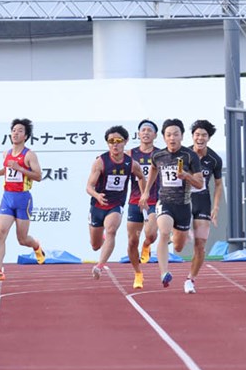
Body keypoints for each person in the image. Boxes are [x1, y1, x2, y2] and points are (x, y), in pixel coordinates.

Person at [139, 118, 203, 292]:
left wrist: (186, 176)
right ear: (164, 137)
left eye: (175, 134)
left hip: (183, 205)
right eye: (168, 135)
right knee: (164, 232)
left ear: (182, 136)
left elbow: (200, 184)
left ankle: (180, 236)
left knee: (178, 246)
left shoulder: (190, 156)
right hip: (165, 202)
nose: (172, 138)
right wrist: (146, 191)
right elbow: (153, 169)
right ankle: (164, 273)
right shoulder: (158, 155)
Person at [0, 118, 45, 282]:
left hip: (23, 199)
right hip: (7, 198)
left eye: (20, 131)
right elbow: (7, 169)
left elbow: (38, 176)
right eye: (14, 130)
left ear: (25, 136)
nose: (16, 133)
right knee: (0, 233)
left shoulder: (29, 155)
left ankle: (36, 245)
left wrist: (19, 168)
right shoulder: (6, 153)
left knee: (22, 239)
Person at [86, 126, 146, 285]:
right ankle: (102, 237)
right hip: (98, 205)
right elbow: (88, 187)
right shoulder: (100, 162)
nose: (115, 144)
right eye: (111, 141)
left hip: (115, 205)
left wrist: (143, 195)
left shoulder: (131, 163)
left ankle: (99, 266)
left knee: (112, 230)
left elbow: (141, 177)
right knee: (95, 245)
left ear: (125, 142)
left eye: (118, 141)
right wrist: (97, 195)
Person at [188, 119, 223, 293]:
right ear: (192, 136)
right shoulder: (184, 154)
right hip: (183, 201)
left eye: (203, 135)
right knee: (179, 243)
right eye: (197, 135)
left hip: (202, 202)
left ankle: (190, 279)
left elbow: (218, 185)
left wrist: (215, 208)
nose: (200, 138)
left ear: (208, 138)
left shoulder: (214, 159)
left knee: (200, 244)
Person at [126, 119, 160, 287]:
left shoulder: (160, 154)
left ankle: (147, 245)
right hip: (135, 201)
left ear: (155, 135)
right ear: (138, 134)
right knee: (132, 241)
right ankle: (138, 273)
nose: (146, 133)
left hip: (154, 200)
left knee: (151, 235)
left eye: (149, 130)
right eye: (143, 130)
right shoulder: (130, 154)